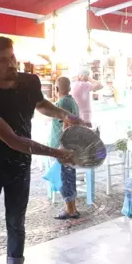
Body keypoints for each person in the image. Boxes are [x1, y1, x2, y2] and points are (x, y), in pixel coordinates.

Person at [0, 36, 88, 264]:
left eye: (12, 57)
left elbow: (40, 105)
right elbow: (14, 140)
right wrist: (57, 153)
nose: (11, 64)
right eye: (2, 60)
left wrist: (65, 115)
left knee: (16, 222)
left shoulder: (29, 82)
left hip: (20, 166)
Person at [49, 77, 80, 220]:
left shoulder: (63, 102)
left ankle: (70, 209)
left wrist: (61, 147)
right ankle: (72, 207)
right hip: (70, 145)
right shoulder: (72, 101)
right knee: (68, 176)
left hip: (63, 147)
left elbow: (66, 125)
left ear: (56, 88)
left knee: (63, 177)